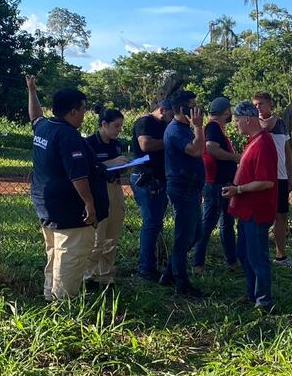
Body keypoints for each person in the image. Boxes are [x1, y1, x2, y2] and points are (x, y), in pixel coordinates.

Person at [26, 76, 109, 300]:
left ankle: (50, 294)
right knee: (71, 254)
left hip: (46, 203)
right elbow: (78, 176)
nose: (85, 113)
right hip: (70, 209)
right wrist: (89, 204)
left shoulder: (45, 127)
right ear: (73, 112)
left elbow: (35, 116)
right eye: (83, 109)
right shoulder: (69, 136)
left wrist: (32, 90)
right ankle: (64, 302)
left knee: (55, 251)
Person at [222, 102, 278, 311]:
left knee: (257, 256)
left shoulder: (263, 143)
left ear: (247, 119)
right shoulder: (253, 141)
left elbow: (267, 182)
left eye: (237, 120)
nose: (236, 124)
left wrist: (239, 190)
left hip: (257, 210)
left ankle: (264, 301)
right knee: (245, 254)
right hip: (247, 211)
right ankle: (252, 294)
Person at [161, 91, 205, 297]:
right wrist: (198, 127)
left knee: (194, 233)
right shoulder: (176, 130)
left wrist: (196, 128)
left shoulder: (185, 128)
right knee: (184, 237)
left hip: (192, 187)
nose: (195, 109)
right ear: (181, 109)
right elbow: (197, 151)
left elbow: (199, 149)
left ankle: (169, 273)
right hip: (182, 188)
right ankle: (182, 284)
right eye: (191, 105)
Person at [193, 97, 240, 272]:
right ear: (226, 111)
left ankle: (231, 260)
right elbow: (212, 148)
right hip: (215, 183)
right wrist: (234, 157)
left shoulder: (218, 128)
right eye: (230, 111)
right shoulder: (213, 127)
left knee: (226, 223)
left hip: (222, 182)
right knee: (209, 223)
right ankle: (198, 262)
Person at [85, 108, 130, 287]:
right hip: (98, 191)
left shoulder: (116, 144)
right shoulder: (89, 143)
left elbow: (117, 167)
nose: (119, 130)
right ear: (103, 124)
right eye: (116, 126)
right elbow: (86, 168)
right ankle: (88, 276)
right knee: (98, 236)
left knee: (113, 234)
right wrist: (108, 164)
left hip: (116, 188)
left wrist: (125, 165)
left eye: (121, 126)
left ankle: (106, 276)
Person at [130, 99, 174, 281]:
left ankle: (155, 260)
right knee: (151, 223)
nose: (172, 120)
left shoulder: (163, 125)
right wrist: (170, 140)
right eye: (171, 115)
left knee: (156, 223)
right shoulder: (145, 122)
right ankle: (146, 268)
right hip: (146, 179)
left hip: (159, 179)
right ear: (162, 110)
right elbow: (145, 145)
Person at [253, 92, 292, 268]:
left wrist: (290, 175)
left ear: (270, 104)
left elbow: (286, 150)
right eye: (255, 104)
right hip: (263, 178)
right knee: (262, 216)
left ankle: (280, 256)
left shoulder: (280, 123)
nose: (258, 107)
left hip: (281, 177)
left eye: (261, 104)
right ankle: (258, 254)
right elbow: (262, 131)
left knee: (282, 215)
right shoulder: (254, 123)